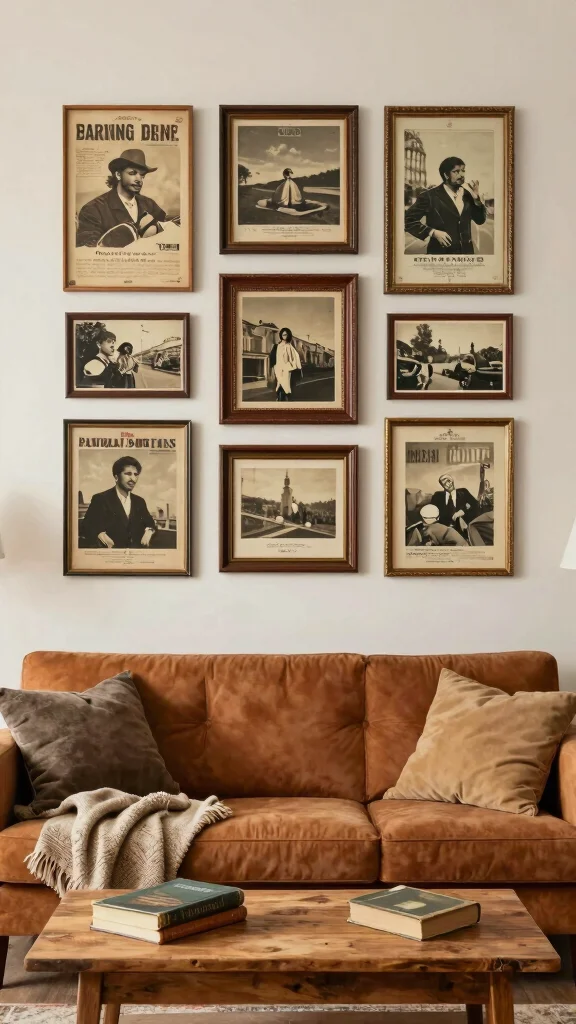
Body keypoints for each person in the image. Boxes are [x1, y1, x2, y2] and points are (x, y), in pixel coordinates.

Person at [76, 149, 166, 248]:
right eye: (132, 173)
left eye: (142, 175)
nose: (139, 180)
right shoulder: (93, 209)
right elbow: (87, 249)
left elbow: (167, 231)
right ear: (118, 175)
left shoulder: (149, 204)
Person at [405, 156, 487, 255]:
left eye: (463, 170)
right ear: (446, 175)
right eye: (456, 171)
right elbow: (407, 220)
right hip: (440, 254)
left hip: (466, 255)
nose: (461, 175)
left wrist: (477, 200)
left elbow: (480, 220)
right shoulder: (429, 196)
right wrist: (433, 232)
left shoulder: (468, 195)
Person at [81, 456, 156, 549]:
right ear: (116, 477)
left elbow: (150, 523)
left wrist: (149, 531)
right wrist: (101, 536)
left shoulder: (139, 501)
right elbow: (87, 526)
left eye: (136, 474)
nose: (133, 479)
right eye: (128, 474)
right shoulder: (100, 499)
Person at [273, 328, 302, 401]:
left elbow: (296, 357)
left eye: (286, 334)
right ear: (281, 335)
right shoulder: (277, 346)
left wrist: (296, 367)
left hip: (287, 369)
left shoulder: (290, 346)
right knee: (279, 385)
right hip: (278, 368)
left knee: (286, 386)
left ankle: (286, 399)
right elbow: (274, 358)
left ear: (288, 335)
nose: (284, 336)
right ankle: (279, 399)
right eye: (283, 334)